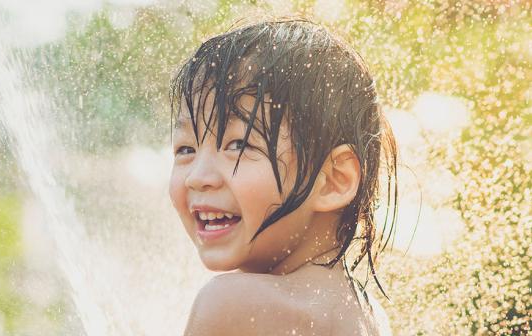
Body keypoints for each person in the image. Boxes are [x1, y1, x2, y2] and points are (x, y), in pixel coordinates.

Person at [168, 17, 398, 335]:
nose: (197, 176)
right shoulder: (365, 314)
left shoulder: (229, 305)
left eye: (239, 143)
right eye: (185, 149)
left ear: (334, 180)